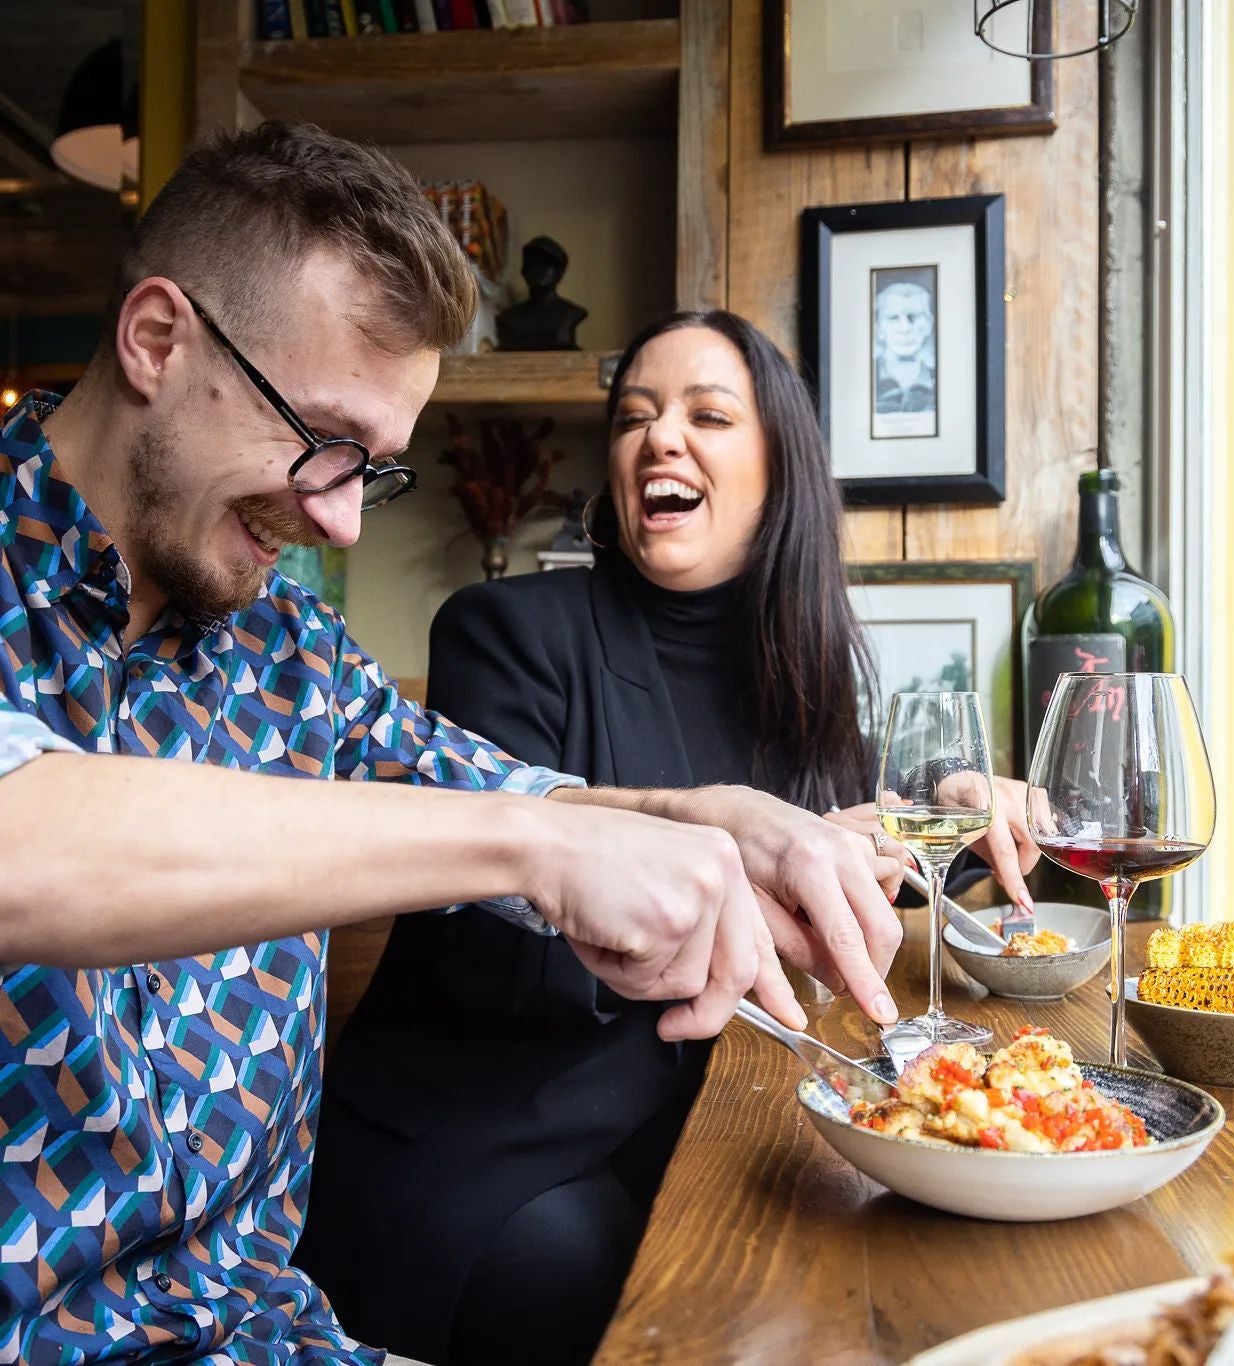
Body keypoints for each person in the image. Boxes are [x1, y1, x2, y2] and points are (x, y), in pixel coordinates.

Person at [0, 127, 910, 1363]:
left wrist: (712, 813)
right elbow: (24, 842)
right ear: (157, 340)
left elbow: (508, 794)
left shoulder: (291, 653)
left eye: (371, 472)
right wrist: (533, 840)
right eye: (321, 440)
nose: (337, 519)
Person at [301, 310, 1041, 1364]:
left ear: (779, 469)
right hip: (493, 1145)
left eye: (707, 414)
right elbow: (499, 954)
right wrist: (743, 855)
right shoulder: (501, 631)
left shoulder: (805, 676)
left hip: (693, 1123)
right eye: (635, 418)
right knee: (655, 1288)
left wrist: (956, 830)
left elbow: (825, 888)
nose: (659, 439)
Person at [874, 278, 936, 415]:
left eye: (913, 317)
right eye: (893, 318)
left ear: (929, 324)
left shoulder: (942, 379)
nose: (905, 328)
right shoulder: (863, 381)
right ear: (879, 328)